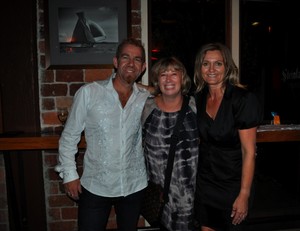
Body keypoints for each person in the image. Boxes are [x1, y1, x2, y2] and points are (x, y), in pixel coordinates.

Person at [54, 38, 150, 231]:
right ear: (115, 62)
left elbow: (172, 95)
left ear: (143, 67)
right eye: (126, 57)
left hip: (134, 185)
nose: (131, 64)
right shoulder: (89, 93)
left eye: (137, 59)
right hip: (96, 185)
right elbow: (69, 136)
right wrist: (70, 175)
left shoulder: (145, 97)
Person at [193, 42, 263, 231]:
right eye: (206, 63)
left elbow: (249, 152)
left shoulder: (242, 99)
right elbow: (168, 94)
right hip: (205, 184)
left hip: (234, 185)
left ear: (227, 67)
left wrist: (244, 194)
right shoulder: (197, 99)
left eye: (218, 63)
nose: (212, 69)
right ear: (200, 68)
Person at [142, 57, 199, 231]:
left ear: (183, 79)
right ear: (157, 80)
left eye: (174, 74)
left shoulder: (195, 106)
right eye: (163, 74)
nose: (168, 79)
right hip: (159, 194)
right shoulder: (146, 107)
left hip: (190, 195)